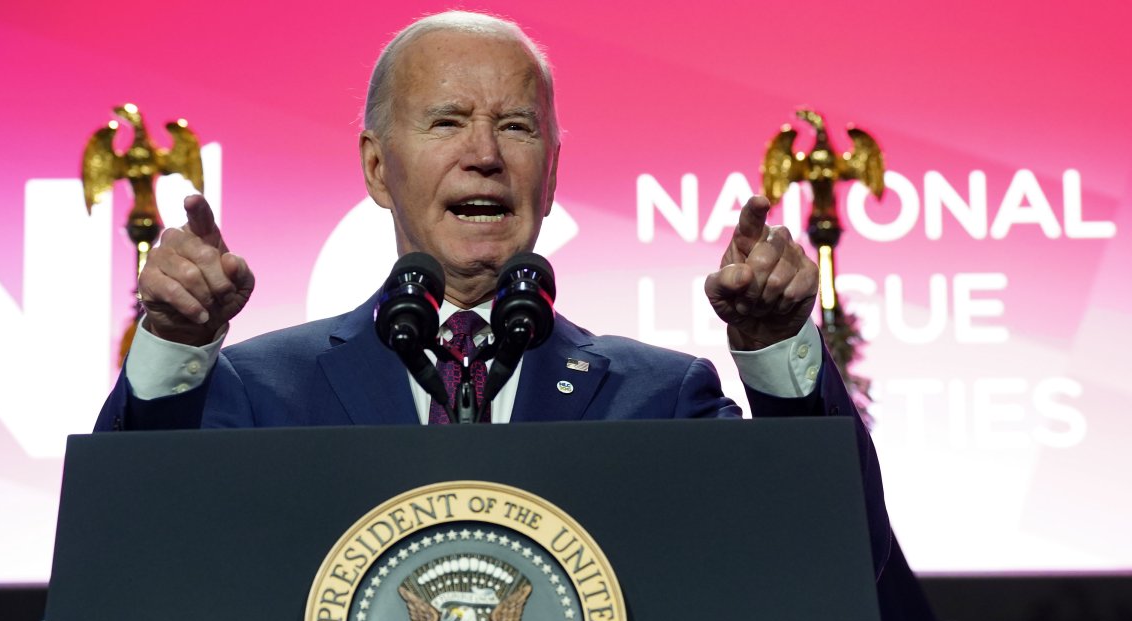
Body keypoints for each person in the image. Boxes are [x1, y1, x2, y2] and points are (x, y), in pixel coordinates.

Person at [94, 11, 888, 573]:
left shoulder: (659, 398)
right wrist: (174, 348)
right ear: (377, 167)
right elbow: (131, 556)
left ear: (552, 171)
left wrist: (776, 348)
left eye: (517, 125)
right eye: (446, 122)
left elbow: (833, 555)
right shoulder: (258, 393)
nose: (484, 154)